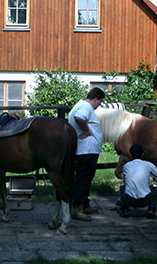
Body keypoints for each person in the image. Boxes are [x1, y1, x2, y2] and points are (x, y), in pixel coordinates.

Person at [68, 87, 105, 221]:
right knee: (83, 180)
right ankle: (78, 209)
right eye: (99, 103)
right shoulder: (87, 107)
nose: (98, 106)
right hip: (87, 150)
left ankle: (84, 205)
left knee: (85, 179)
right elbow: (79, 118)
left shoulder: (79, 105)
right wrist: (87, 131)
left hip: (86, 149)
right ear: (96, 99)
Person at [118, 144, 157, 219]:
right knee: (154, 189)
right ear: (143, 154)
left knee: (122, 188)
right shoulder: (149, 164)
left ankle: (125, 210)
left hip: (129, 200)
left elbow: (126, 181)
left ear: (131, 154)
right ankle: (151, 209)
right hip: (145, 200)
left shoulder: (126, 166)